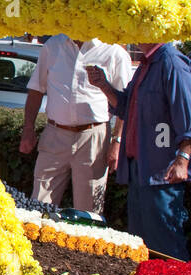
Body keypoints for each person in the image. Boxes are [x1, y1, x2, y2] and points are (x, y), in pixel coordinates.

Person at [87, 43, 191, 261]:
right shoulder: (146, 64)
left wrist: (183, 158)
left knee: (164, 244)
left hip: (161, 173)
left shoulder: (171, 62)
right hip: (140, 170)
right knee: (140, 243)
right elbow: (125, 107)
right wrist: (103, 85)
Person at [20, 35, 133, 213]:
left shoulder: (114, 52)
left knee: (89, 212)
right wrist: (28, 128)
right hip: (55, 134)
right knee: (38, 207)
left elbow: (126, 103)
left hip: (93, 137)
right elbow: (36, 89)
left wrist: (117, 141)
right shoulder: (53, 46)